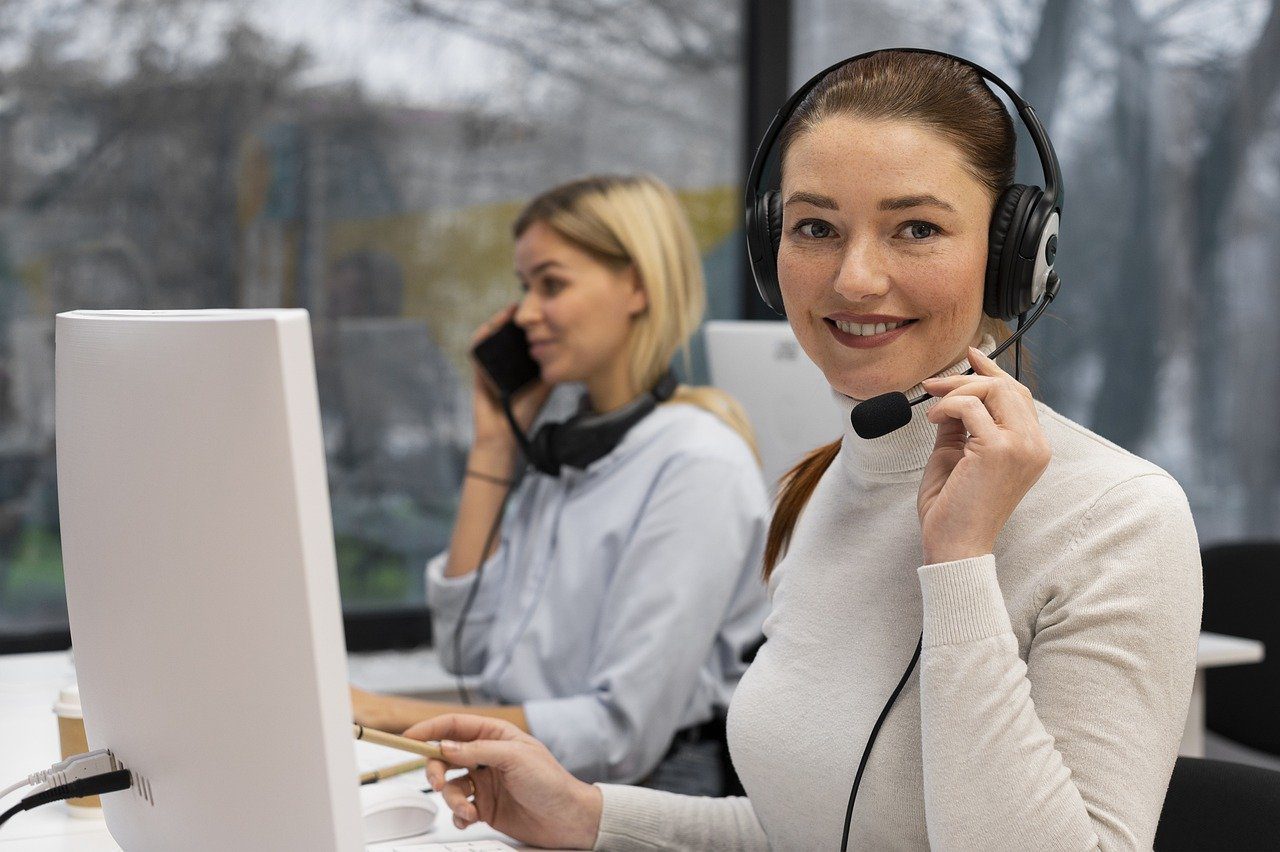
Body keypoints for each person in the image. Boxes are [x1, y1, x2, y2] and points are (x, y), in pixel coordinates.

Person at [400, 49, 1203, 850]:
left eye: (915, 228)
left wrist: (961, 563)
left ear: (1012, 259)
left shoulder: (1120, 521)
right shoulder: (827, 487)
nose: (853, 279)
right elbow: (814, 826)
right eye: (815, 227)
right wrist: (589, 816)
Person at [351, 174, 770, 793]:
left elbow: (617, 736)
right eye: (524, 288)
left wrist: (390, 714)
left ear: (635, 284)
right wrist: (495, 445)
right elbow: (464, 649)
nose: (524, 314)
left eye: (552, 284)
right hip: (532, 778)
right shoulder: (564, 451)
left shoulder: (697, 464)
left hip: (644, 795)